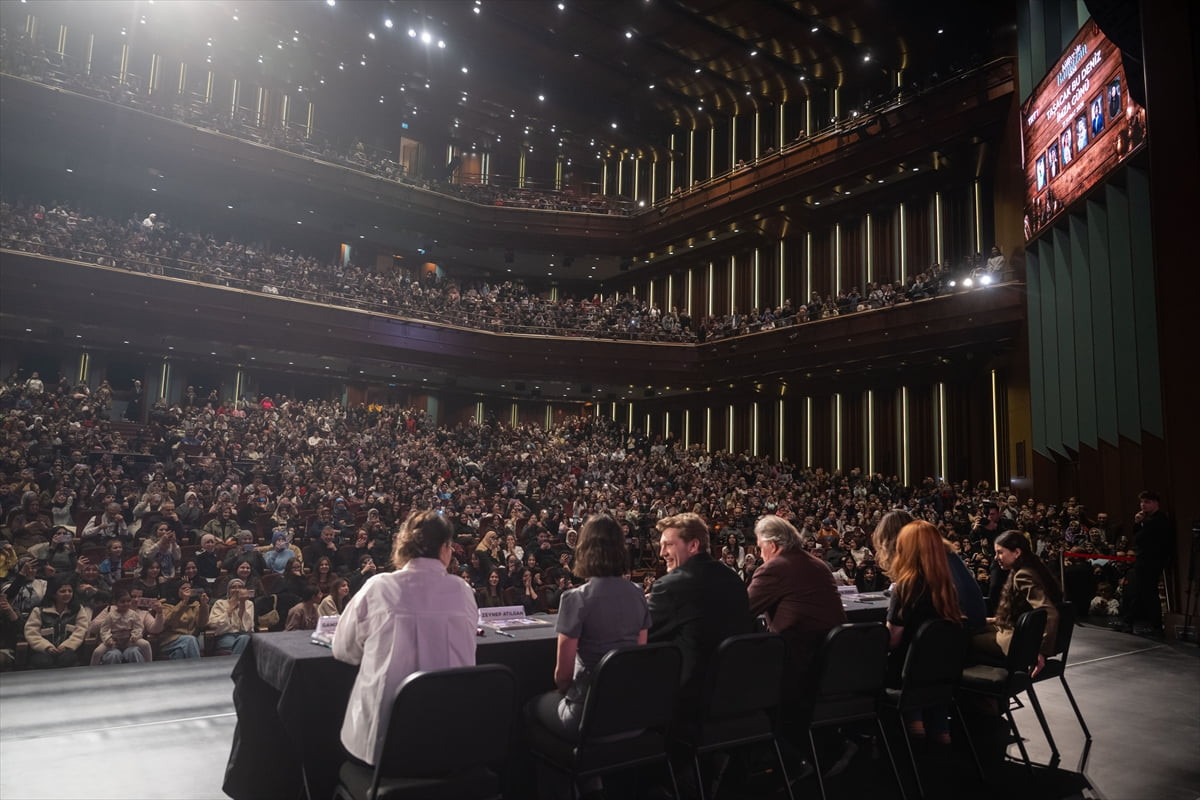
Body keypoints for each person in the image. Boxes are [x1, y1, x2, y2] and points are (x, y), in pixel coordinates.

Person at [333, 510, 477, 767]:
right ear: (446, 548)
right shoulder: (463, 591)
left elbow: (344, 650)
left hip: (383, 749)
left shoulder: (379, 587)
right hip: (451, 747)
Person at [529, 514, 650, 740]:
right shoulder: (638, 594)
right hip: (631, 715)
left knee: (531, 707)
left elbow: (563, 677)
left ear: (585, 549)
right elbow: (637, 657)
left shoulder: (576, 599)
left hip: (588, 716)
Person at [648, 513, 753, 709]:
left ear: (693, 545)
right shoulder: (733, 579)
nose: (662, 552)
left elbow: (642, 635)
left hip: (689, 698)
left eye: (669, 544)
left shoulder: (670, 587)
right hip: (737, 691)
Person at [747, 515, 847, 707]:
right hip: (833, 661)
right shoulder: (819, 565)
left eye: (760, 548)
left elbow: (742, 610)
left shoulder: (774, 568)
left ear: (773, 546)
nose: (760, 555)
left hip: (796, 665)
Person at [885, 521, 962, 743]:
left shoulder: (906, 587)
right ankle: (939, 732)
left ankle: (912, 730)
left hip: (908, 677)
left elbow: (892, 640)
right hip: (942, 675)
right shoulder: (947, 586)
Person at [875, 509, 986, 634]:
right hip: (962, 629)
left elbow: (893, 637)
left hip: (954, 633)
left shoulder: (917, 574)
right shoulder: (944, 553)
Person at [972, 531, 1061, 672]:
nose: (996, 558)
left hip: (1017, 640)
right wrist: (994, 620)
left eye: (1000, 552)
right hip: (1018, 631)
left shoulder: (1023, 575)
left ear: (1017, 552)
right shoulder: (1034, 567)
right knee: (974, 626)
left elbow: (1050, 612)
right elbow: (1024, 610)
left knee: (966, 639)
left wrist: (1041, 652)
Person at [1121, 490, 1174, 636]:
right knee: (1145, 592)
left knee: (1142, 592)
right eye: (1142, 502)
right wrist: (1139, 524)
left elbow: (1139, 539)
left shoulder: (1158, 520)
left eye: (1147, 502)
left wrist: (1139, 523)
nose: (1143, 505)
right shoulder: (1150, 519)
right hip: (1147, 560)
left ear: (1156, 503)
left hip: (1150, 562)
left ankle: (1130, 622)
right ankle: (1152, 625)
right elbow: (1137, 537)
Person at [24, 575, 92, 669]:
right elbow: (31, 633)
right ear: (53, 594)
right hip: (43, 652)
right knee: (43, 662)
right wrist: (47, 647)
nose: (67, 594)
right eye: (62, 591)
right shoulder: (38, 611)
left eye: (70, 591)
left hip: (69, 651)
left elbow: (81, 631)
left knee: (67, 659)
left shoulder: (78, 610)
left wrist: (67, 646)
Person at [158, 580, 210, 659]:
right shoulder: (166, 605)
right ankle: (198, 669)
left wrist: (203, 605)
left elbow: (202, 624)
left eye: (189, 588)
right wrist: (183, 602)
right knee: (190, 640)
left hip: (189, 641)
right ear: (176, 590)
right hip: (170, 640)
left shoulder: (195, 604)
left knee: (179, 653)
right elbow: (169, 622)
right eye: (184, 588)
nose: (187, 591)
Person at [95, 589, 146, 664]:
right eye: (122, 602)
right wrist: (108, 639)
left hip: (130, 643)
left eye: (128, 601)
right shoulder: (110, 615)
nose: (126, 604)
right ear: (115, 602)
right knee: (111, 655)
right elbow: (104, 630)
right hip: (114, 644)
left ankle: (144, 669)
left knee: (135, 651)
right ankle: (97, 670)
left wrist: (135, 636)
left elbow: (138, 627)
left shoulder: (134, 614)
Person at [209, 578, 256, 655]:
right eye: (233, 587)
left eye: (240, 587)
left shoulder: (249, 604)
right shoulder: (220, 603)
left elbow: (248, 627)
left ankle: (234, 665)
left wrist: (242, 604)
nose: (237, 590)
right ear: (228, 590)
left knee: (244, 638)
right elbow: (213, 624)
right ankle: (239, 665)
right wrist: (231, 607)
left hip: (244, 635)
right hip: (226, 636)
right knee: (242, 644)